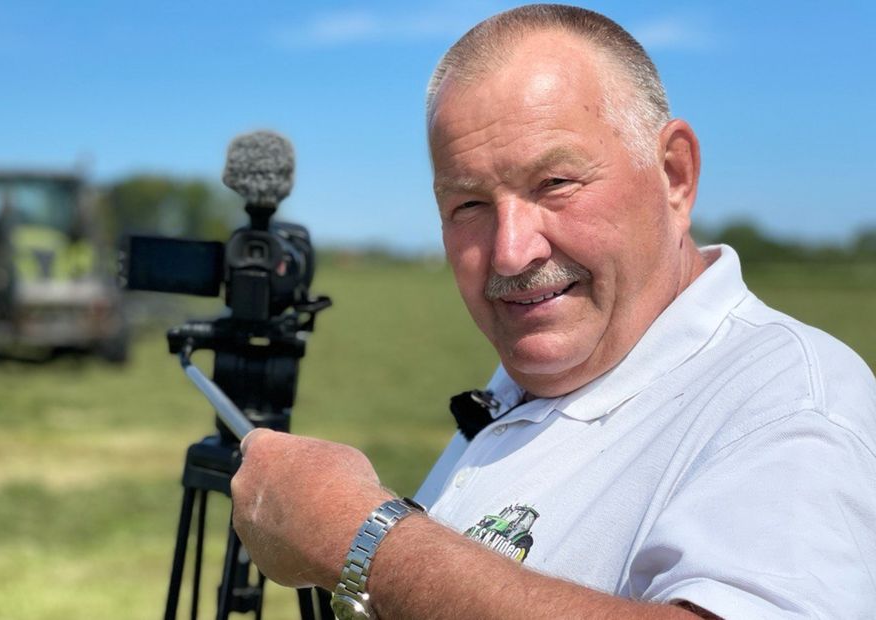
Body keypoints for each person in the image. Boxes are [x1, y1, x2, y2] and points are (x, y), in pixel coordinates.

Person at [230, 4, 876, 618]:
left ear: (674, 175)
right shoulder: (538, 381)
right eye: (468, 206)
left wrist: (364, 542)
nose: (510, 253)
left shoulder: (788, 400)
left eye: (556, 184)